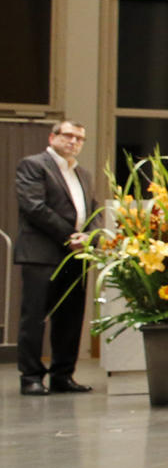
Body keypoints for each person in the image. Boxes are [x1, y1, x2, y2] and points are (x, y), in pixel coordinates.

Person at [14, 118, 95, 395]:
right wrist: (70, 236)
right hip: (42, 254)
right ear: (52, 138)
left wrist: (90, 236)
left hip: (76, 256)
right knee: (34, 318)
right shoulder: (33, 165)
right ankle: (31, 377)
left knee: (70, 318)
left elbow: (91, 209)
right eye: (68, 136)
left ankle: (63, 375)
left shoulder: (83, 174)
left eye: (79, 138)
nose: (74, 142)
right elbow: (34, 207)